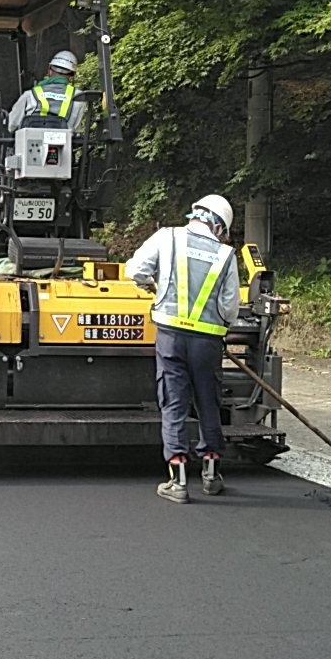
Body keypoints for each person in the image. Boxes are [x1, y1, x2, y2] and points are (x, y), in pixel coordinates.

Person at [125, 194, 240, 504]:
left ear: (196, 214)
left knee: (173, 403)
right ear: (219, 226)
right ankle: (211, 475)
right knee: (208, 404)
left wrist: (154, 285)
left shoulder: (167, 237)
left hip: (170, 338)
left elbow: (133, 270)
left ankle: (178, 483)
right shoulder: (227, 255)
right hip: (207, 342)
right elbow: (230, 308)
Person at [6, 49, 86, 133]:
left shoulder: (30, 95)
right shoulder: (79, 97)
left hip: (30, 141)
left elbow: (11, 124)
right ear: (72, 76)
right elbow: (76, 129)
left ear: (49, 71)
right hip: (64, 143)